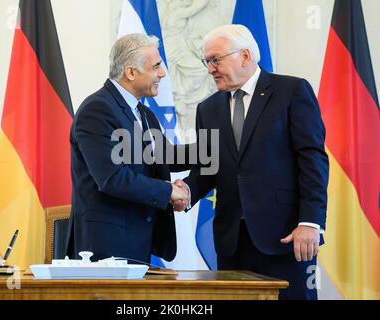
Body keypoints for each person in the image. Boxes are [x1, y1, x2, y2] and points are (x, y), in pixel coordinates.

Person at [174, 24, 329, 300]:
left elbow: (312, 159)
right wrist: (185, 191)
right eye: (206, 61)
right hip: (232, 242)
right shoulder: (207, 108)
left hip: (286, 237)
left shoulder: (291, 91)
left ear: (244, 56)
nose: (210, 69)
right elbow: (207, 168)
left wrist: (310, 222)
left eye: (215, 60)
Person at [65, 33, 190, 264]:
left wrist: (215, 150)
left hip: (136, 240)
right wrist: (168, 191)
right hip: (106, 247)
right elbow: (113, 178)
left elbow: (163, 156)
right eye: (156, 66)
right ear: (131, 72)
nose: (162, 73)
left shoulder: (143, 112)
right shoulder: (97, 110)